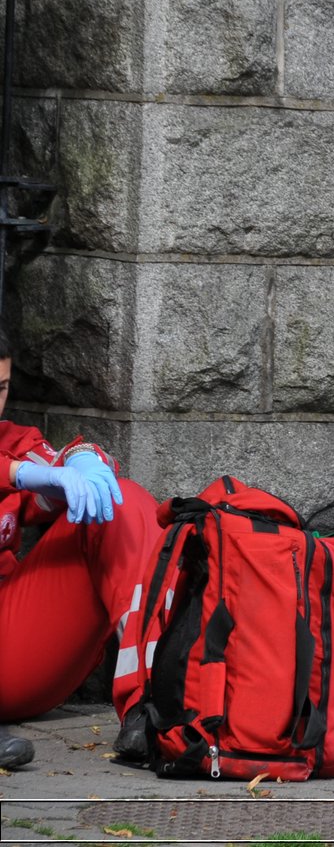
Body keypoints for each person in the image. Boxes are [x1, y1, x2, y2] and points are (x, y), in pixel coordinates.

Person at [0, 323, 161, 769]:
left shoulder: (12, 441)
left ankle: (149, 704)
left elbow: (61, 463)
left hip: (13, 646)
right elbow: (18, 472)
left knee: (121, 501)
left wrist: (82, 460)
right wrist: (16, 475)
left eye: (0, 388)